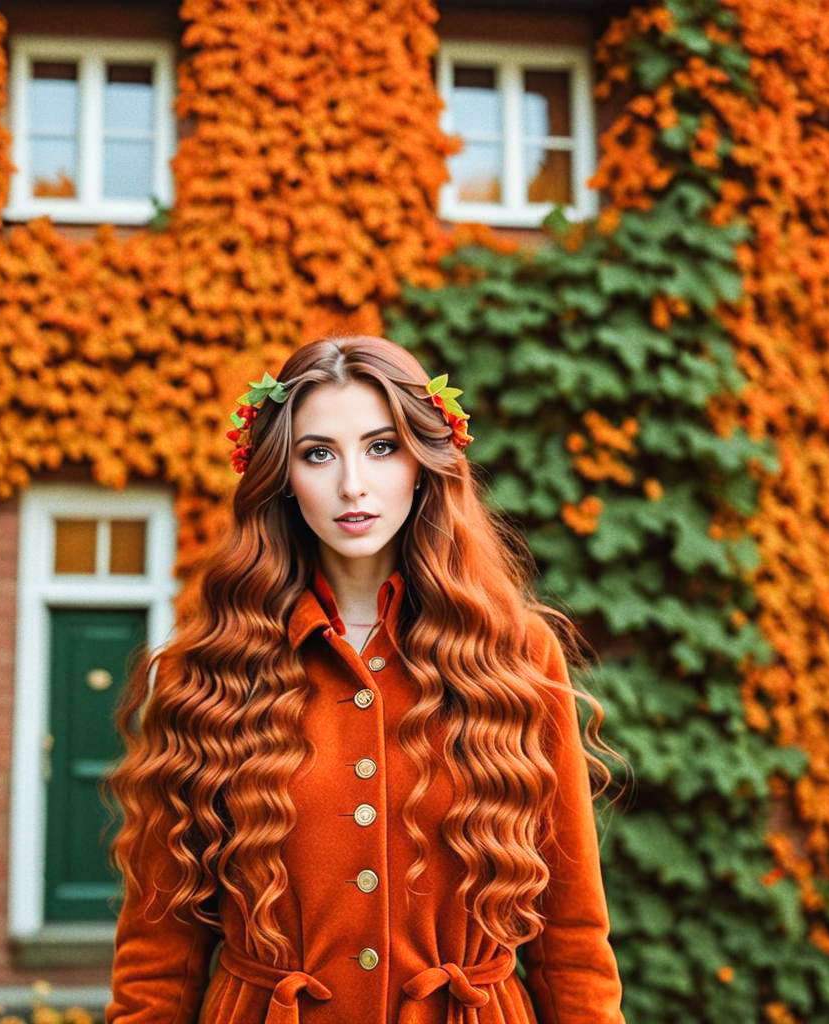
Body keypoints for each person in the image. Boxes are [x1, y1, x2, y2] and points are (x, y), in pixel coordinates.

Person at [103, 334, 628, 1024]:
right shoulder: (205, 671)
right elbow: (158, 953)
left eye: (382, 447)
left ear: (424, 462)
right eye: (318, 453)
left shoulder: (517, 657)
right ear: (282, 475)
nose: (354, 483)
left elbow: (573, 938)